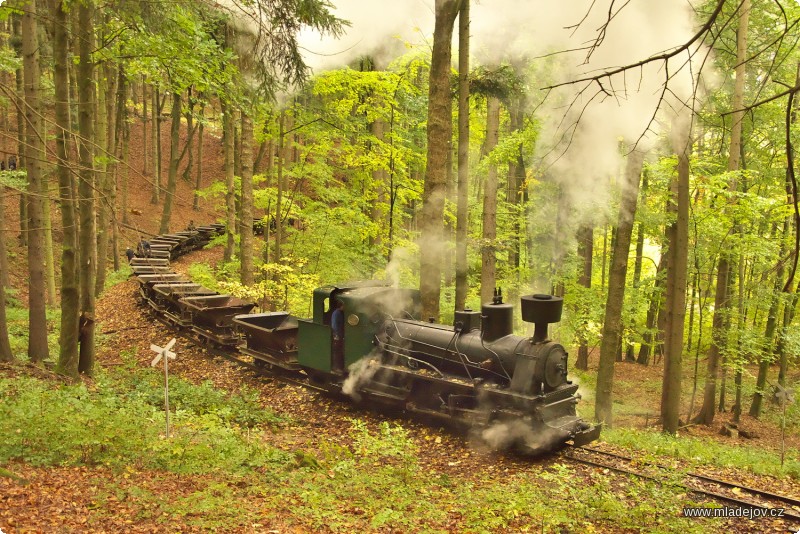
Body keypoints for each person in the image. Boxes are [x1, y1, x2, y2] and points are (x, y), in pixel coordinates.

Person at [331, 299, 345, 374]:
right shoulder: (336, 313)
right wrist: (336, 335)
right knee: (337, 352)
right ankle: (335, 368)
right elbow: (334, 325)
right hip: (337, 336)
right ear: (341, 306)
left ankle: (340, 367)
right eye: (344, 306)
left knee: (340, 351)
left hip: (340, 335)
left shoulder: (340, 313)